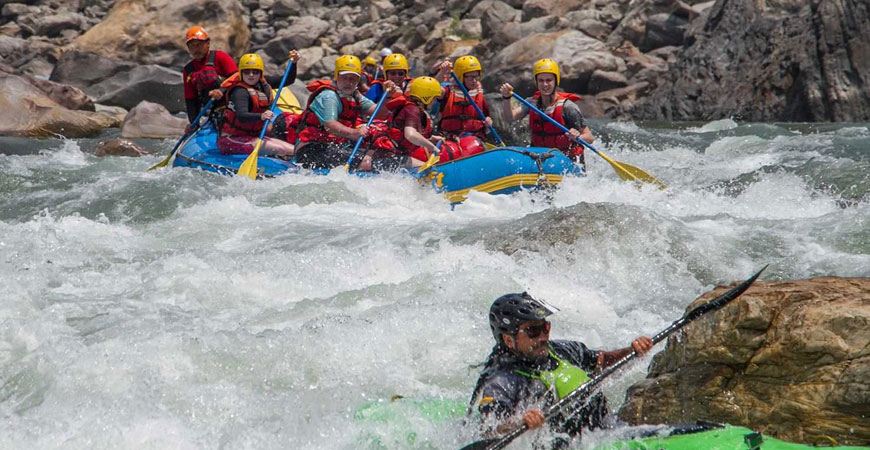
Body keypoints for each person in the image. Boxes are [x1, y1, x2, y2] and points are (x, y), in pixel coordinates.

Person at [469, 292, 653, 445]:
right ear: (509, 340)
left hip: (607, 434)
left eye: (545, 327)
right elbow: (489, 427)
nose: (542, 337)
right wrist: (521, 422)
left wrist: (632, 350)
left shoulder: (564, 350)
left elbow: (602, 360)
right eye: (533, 331)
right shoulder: (501, 380)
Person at [294, 55, 394, 170]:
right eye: (344, 77)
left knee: (378, 154)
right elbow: (330, 126)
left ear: (358, 80)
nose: (348, 82)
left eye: (353, 79)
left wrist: (388, 96)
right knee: (366, 161)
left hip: (334, 146)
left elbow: (379, 114)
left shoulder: (355, 95)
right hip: (310, 149)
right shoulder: (328, 96)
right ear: (337, 76)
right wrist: (355, 133)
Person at [498, 58, 594, 165]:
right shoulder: (531, 103)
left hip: (565, 161)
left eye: (549, 80)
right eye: (541, 80)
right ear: (536, 82)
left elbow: (589, 138)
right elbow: (509, 118)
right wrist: (506, 98)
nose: (545, 85)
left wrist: (577, 137)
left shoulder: (568, 107)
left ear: (556, 81)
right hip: (540, 158)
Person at [215, 53, 295, 157]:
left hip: (251, 135)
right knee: (282, 148)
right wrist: (261, 116)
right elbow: (242, 116)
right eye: (247, 72)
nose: (251, 75)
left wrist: (293, 63)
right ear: (241, 73)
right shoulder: (240, 92)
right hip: (231, 140)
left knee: (292, 148)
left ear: (260, 73)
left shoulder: (263, 83)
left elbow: (288, 79)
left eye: (255, 72)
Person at [369, 76, 445, 170]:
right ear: (426, 97)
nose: (434, 102)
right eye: (434, 98)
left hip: (389, 153)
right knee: (431, 169)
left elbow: (405, 137)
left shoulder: (410, 107)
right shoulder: (413, 109)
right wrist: (432, 147)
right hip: (390, 155)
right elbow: (410, 135)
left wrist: (429, 139)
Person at [181, 26, 238, 128]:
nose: (196, 49)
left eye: (199, 45)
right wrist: (194, 124)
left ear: (208, 43)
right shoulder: (188, 70)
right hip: (213, 110)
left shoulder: (220, 57)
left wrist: (221, 90)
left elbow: (238, 78)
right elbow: (191, 99)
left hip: (234, 106)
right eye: (192, 46)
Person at [436, 55, 493, 141]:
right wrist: (443, 71)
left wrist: (489, 123)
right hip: (449, 138)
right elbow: (433, 87)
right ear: (460, 76)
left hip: (474, 139)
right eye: (470, 77)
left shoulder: (479, 96)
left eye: (476, 76)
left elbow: (487, 119)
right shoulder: (448, 92)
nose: (474, 80)